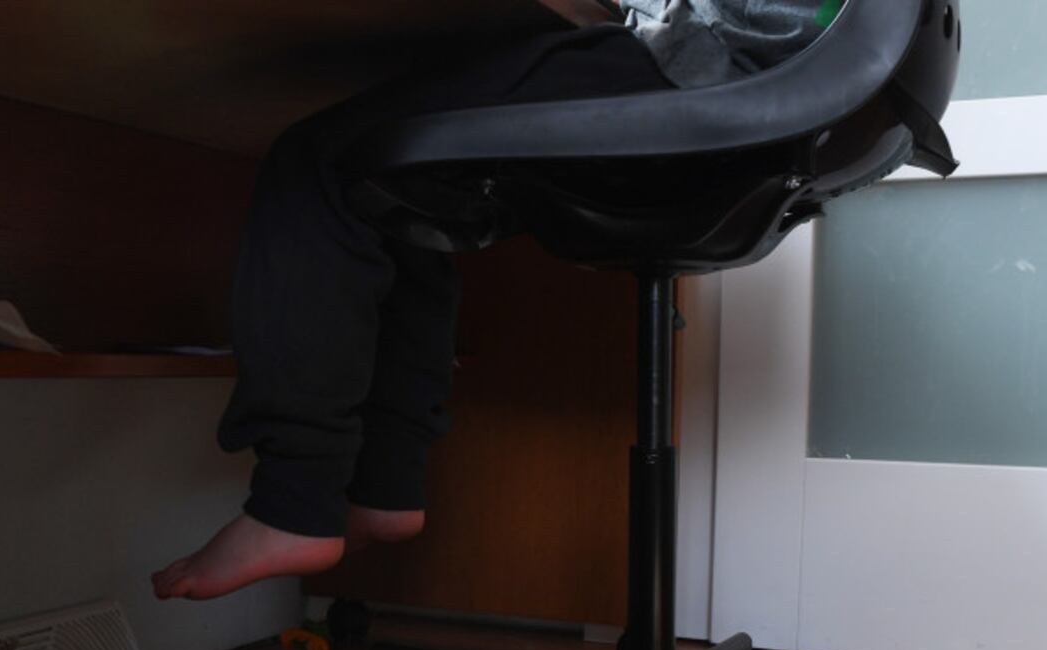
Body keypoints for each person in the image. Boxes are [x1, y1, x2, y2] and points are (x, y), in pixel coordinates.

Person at [152, 0, 828, 600]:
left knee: (321, 162)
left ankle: (292, 505)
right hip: (786, 81)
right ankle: (385, 485)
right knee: (402, 179)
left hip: (715, 65)